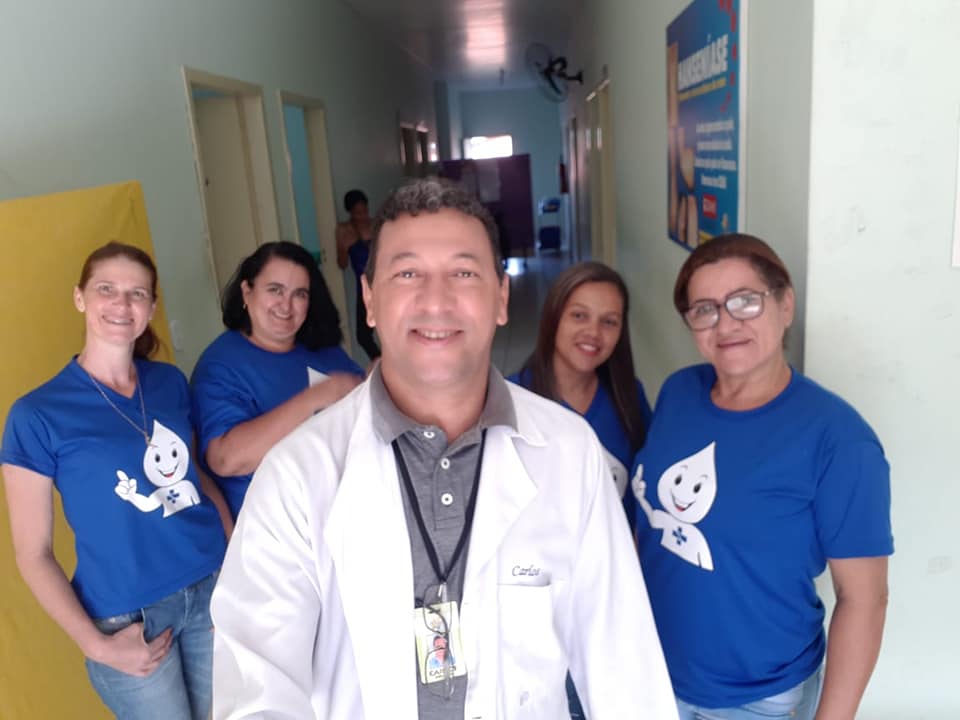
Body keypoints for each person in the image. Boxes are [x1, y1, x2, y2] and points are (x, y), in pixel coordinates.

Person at [210, 178, 677, 720]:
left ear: (501, 298)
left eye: (464, 273)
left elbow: (624, 665)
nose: (436, 300)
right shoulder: (298, 473)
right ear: (369, 300)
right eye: (407, 273)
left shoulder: (571, 453)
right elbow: (257, 686)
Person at [632, 233, 892, 720]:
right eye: (705, 309)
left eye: (745, 301)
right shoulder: (679, 392)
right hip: (647, 669)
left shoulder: (838, 440)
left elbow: (865, 599)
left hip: (757, 699)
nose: (726, 323)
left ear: (785, 304)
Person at [1, 242, 230, 720]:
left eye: (137, 293)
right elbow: (33, 553)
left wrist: (236, 561)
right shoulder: (36, 415)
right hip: (128, 618)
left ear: (151, 307)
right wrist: (96, 645)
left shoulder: (169, 382)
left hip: (212, 587)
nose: (122, 304)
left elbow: (196, 477)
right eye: (106, 289)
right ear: (80, 297)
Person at [191, 241, 364, 520]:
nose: (286, 305)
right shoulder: (221, 364)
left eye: (299, 294)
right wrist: (315, 397)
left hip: (343, 514)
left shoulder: (324, 349)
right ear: (247, 292)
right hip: (275, 529)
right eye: (275, 290)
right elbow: (226, 459)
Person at [509, 261, 652, 497]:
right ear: (553, 318)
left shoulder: (629, 396)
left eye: (609, 321)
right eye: (579, 316)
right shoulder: (510, 401)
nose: (593, 332)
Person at [336, 188, 381, 359]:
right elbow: (342, 264)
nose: (363, 216)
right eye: (358, 213)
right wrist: (344, 247)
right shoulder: (344, 230)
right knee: (363, 336)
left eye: (365, 211)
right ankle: (380, 363)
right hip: (363, 286)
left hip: (381, 281)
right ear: (350, 212)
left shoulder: (376, 225)